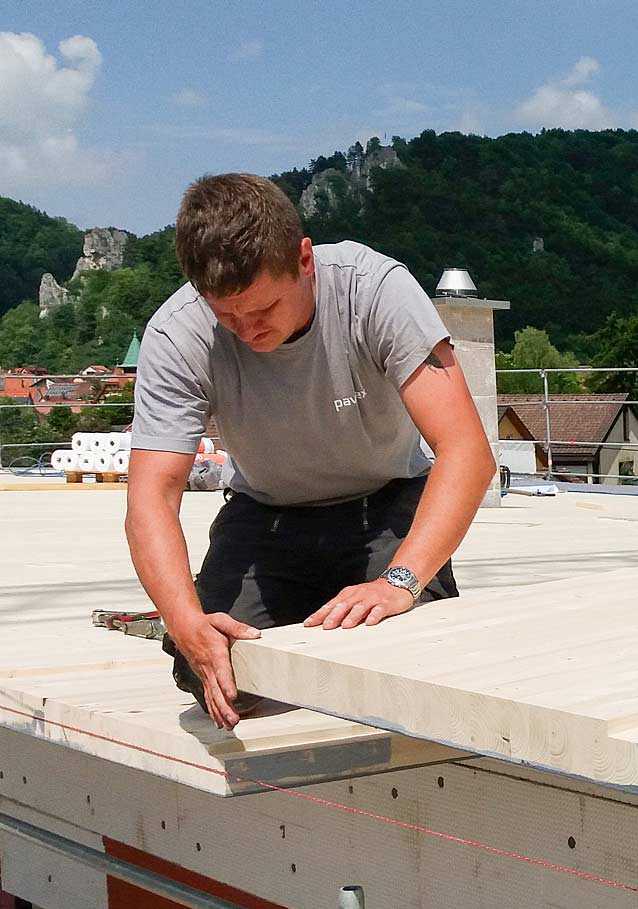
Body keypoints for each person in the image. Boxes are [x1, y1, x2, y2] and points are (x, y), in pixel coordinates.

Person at [125, 173, 495, 731]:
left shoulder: (374, 289)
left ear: (304, 260)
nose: (247, 332)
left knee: (417, 655)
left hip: (386, 502)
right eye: (228, 316)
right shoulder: (178, 335)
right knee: (212, 669)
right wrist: (184, 623)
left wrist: (399, 583)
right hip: (268, 517)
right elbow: (150, 496)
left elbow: (467, 450)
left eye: (264, 309)